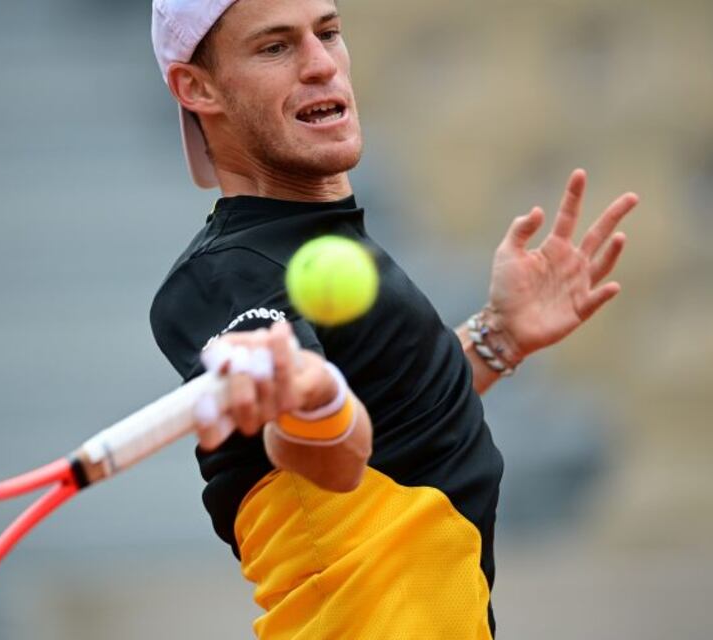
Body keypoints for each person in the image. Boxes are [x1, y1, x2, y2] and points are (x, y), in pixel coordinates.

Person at [148, 0, 638, 637]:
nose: (321, 64)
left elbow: (388, 438)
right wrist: (312, 403)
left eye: (328, 32)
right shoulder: (220, 278)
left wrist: (498, 337)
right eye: (276, 47)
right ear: (197, 86)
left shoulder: (317, 245)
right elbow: (330, 458)